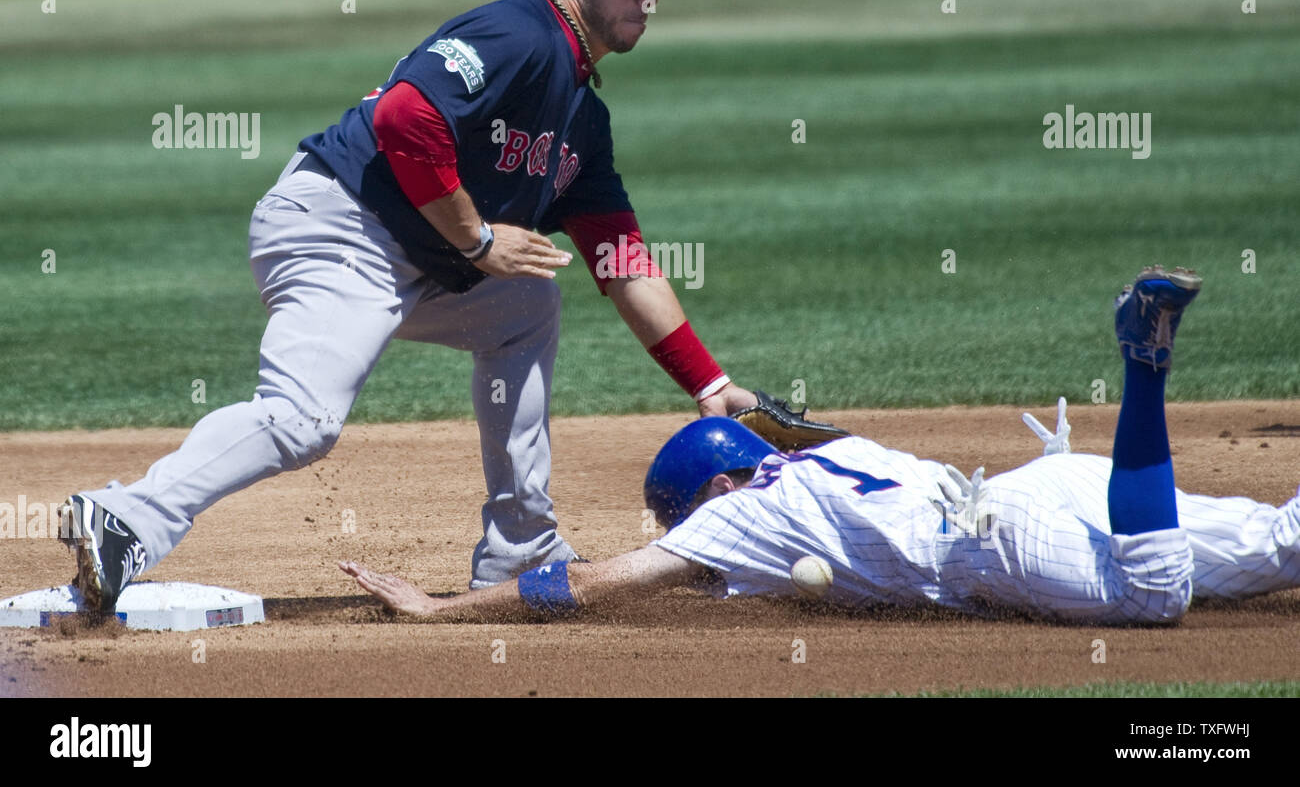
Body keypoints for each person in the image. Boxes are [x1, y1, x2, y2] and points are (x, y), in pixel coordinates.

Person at [59, 0, 758, 614]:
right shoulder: (524, 30)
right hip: (339, 226)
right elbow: (405, 114)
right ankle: (126, 518)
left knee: (524, 304)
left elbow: (621, 260)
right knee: (305, 421)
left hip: (416, 258)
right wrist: (479, 239)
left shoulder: (585, 116)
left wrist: (711, 386)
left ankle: (521, 548)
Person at [342, 266, 1300, 625]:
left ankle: (1142, 361)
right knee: (1276, 546)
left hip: (999, 534)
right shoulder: (830, 452)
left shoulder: (749, 513)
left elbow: (585, 585)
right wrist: (726, 395)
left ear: (716, 487)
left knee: (1154, 592)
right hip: (1052, 483)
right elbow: (786, 422)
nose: (687, 535)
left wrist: (443, 610)